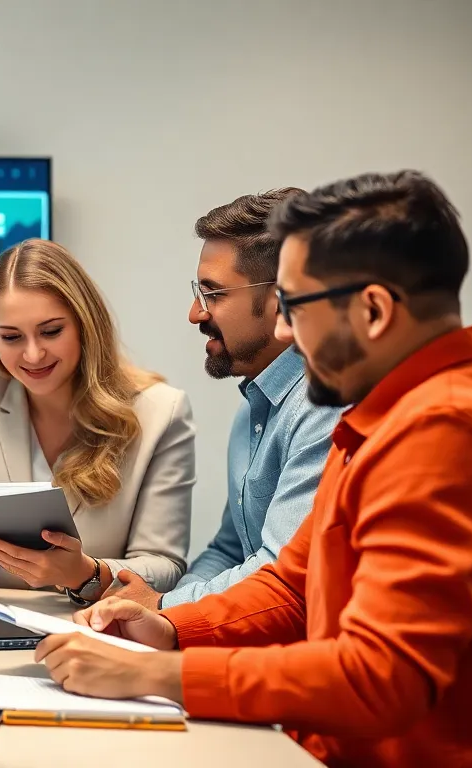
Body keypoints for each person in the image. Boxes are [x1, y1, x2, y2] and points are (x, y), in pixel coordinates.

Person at [36, 171, 472, 768]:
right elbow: (292, 586)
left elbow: (381, 677)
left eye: (295, 307)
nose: (280, 330)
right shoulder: (388, 415)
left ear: (374, 310)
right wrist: (170, 631)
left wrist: (169, 674)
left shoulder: (443, 430)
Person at [0, 239, 195, 603]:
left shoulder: (160, 411)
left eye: (51, 331)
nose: (33, 354)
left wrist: (86, 572)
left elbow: (164, 565)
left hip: (96, 628)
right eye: (11, 337)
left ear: (86, 325)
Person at [108, 189, 342, 609]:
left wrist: (163, 610)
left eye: (214, 294)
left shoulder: (325, 409)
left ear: (282, 299)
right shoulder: (255, 405)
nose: (195, 313)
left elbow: (279, 571)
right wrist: (160, 607)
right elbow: (230, 552)